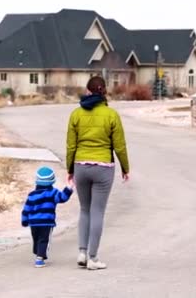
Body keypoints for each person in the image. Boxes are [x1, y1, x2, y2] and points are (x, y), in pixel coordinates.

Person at [66, 76, 130, 271]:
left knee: (84, 209)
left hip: (81, 166)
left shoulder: (76, 114)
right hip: (103, 167)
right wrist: (125, 168)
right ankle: (93, 258)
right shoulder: (111, 115)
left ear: (88, 91)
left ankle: (82, 252)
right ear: (104, 92)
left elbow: (71, 146)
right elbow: (119, 146)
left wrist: (70, 169)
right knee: (97, 212)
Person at [21, 166, 74, 268]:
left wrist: (24, 220)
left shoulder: (32, 195)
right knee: (44, 239)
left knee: (36, 238)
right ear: (52, 180)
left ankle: (38, 252)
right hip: (47, 222)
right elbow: (62, 198)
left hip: (34, 223)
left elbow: (26, 209)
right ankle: (40, 258)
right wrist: (69, 188)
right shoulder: (53, 193)